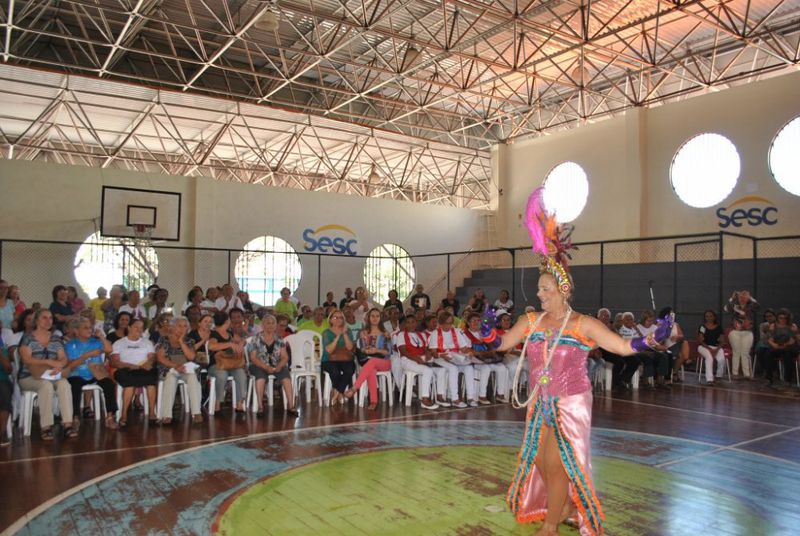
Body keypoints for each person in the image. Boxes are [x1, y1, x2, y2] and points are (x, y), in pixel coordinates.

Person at [484, 187, 672, 536]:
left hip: (570, 402)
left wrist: (652, 338)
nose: (540, 295)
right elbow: (501, 344)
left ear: (564, 290)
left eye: (546, 290)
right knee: (540, 461)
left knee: (556, 463)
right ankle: (567, 506)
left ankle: (551, 526)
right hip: (539, 402)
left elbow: (621, 347)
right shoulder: (531, 321)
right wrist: (486, 332)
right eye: (539, 289)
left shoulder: (583, 324)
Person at [18, 309, 76, 440]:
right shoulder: (28, 338)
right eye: (44, 317)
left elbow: (63, 358)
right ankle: (46, 426)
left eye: (50, 318)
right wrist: (48, 362)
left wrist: (59, 366)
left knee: (64, 383)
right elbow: (26, 359)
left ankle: (67, 423)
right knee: (45, 386)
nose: (48, 320)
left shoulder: (55, 338)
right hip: (29, 377)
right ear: (37, 320)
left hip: (51, 375)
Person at [64, 317, 118, 429]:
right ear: (76, 331)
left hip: (96, 373)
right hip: (78, 374)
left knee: (109, 384)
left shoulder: (96, 342)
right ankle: (75, 417)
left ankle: (109, 417)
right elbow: (70, 366)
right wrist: (87, 355)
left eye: (90, 328)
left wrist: (102, 337)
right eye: (85, 328)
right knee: (74, 386)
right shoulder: (70, 345)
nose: (89, 330)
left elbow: (109, 349)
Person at [110, 318, 158, 426]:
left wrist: (148, 363)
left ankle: (152, 413)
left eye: (141, 328)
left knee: (151, 381)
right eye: (136, 327)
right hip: (125, 369)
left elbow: (152, 357)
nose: (139, 329)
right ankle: (124, 414)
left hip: (143, 369)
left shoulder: (147, 342)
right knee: (129, 383)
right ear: (129, 327)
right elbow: (114, 362)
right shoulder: (119, 343)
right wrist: (130, 365)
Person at [247, 314, 298, 417]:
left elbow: (285, 357)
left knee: (286, 377)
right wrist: (266, 367)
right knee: (260, 378)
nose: (270, 325)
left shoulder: (279, 339)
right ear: (262, 325)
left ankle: (291, 406)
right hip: (259, 365)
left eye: (273, 323)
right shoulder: (255, 338)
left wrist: (279, 366)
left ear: (275, 325)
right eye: (267, 323)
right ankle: (260, 407)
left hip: (276, 364)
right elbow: (253, 358)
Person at [156, 316, 203, 424]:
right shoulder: (164, 339)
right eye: (179, 326)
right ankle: (166, 415)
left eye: (185, 326)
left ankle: (196, 412)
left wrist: (182, 342)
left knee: (192, 377)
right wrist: (175, 366)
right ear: (172, 327)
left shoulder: (189, 341)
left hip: (186, 369)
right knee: (171, 378)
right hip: (169, 369)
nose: (182, 329)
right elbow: (160, 357)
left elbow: (191, 357)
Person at [427, 310, 476, 408]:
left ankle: (471, 398)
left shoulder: (456, 331)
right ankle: (455, 399)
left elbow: (463, 348)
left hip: (455, 357)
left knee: (469, 368)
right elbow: (433, 353)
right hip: (441, 357)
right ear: (440, 324)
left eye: (451, 323)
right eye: (446, 323)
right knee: (453, 369)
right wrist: (442, 356)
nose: (449, 326)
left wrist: (469, 353)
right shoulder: (435, 333)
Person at [346, 308, 392, 409]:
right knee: (371, 367)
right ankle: (373, 401)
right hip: (369, 361)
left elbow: (388, 352)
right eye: (372, 316)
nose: (375, 318)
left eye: (377, 316)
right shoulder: (363, 333)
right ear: (368, 318)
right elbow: (362, 349)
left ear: (380, 318)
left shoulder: (385, 333)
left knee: (372, 362)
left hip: (384, 362)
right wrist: (366, 350)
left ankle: (354, 388)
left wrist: (377, 351)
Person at [463, 312, 508, 404]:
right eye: (473, 321)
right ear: (468, 323)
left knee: (502, 368)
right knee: (486, 369)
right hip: (474, 361)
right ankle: (482, 395)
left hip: (487, 359)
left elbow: (493, 347)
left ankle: (500, 394)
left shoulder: (484, 333)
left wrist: (490, 352)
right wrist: (486, 353)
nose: (476, 323)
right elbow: (471, 352)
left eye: (478, 320)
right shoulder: (465, 334)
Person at [207, 311, 247, 413]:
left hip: (231, 363)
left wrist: (240, 344)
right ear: (227, 321)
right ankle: (218, 402)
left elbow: (243, 340)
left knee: (241, 373)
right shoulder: (213, 333)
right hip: (217, 365)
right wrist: (229, 344)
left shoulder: (230, 333)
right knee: (222, 375)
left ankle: (239, 403)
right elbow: (211, 346)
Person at [321, 310, 356, 405]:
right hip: (329, 359)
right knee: (335, 372)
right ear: (330, 320)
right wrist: (337, 336)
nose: (338, 320)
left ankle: (337, 392)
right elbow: (328, 350)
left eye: (341, 318)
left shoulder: (347, 331)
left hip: (346, 358)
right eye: (335, 317)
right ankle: (341, 393)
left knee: (349, 370)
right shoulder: (326, 332)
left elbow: (350, 347)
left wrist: (344, 334)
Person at [725, 291, 757, 379]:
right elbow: (726, 308)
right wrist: (732, 298)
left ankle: (747, 374)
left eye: (745, 297)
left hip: (747, 332)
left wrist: (750, 297)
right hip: (735, 331)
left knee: (745, 353)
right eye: (741, 297)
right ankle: (735, 373)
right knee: (736, 352)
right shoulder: (734, 305)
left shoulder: (751, 306)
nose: (742, 298)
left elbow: (758, 306)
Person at [765, 309, 797, 386]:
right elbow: (770, 339)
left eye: (785, 318)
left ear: (787, 318)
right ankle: (769, 379)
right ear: (777, 318)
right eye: (780, 318)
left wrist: (785, 345)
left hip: (788, 346)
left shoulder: (791, 326)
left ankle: (787, 380)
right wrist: (773, 345)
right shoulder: (773, 326)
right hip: (777, 346)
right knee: (768, 354)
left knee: (788, 354)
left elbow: (793, 340)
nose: (782, 320)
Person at [697, 309, 726, 386]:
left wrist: (716, 349)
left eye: (710, 316)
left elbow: (722, 341)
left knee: (721, 359)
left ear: (714, 317)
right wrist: (709, 349)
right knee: (709, 358)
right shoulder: (702, 327)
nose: (709, 318)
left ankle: (718, 376)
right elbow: (700, 340)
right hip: (704, 347)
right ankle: (709, 379)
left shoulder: (719, 327)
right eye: (707, 316)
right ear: (704, 317)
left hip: (716, 347)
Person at [0, 335, 12, 445]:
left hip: (1, 380)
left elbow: (9, 370)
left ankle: (2, 432)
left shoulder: (3, 349)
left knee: (4, 391)